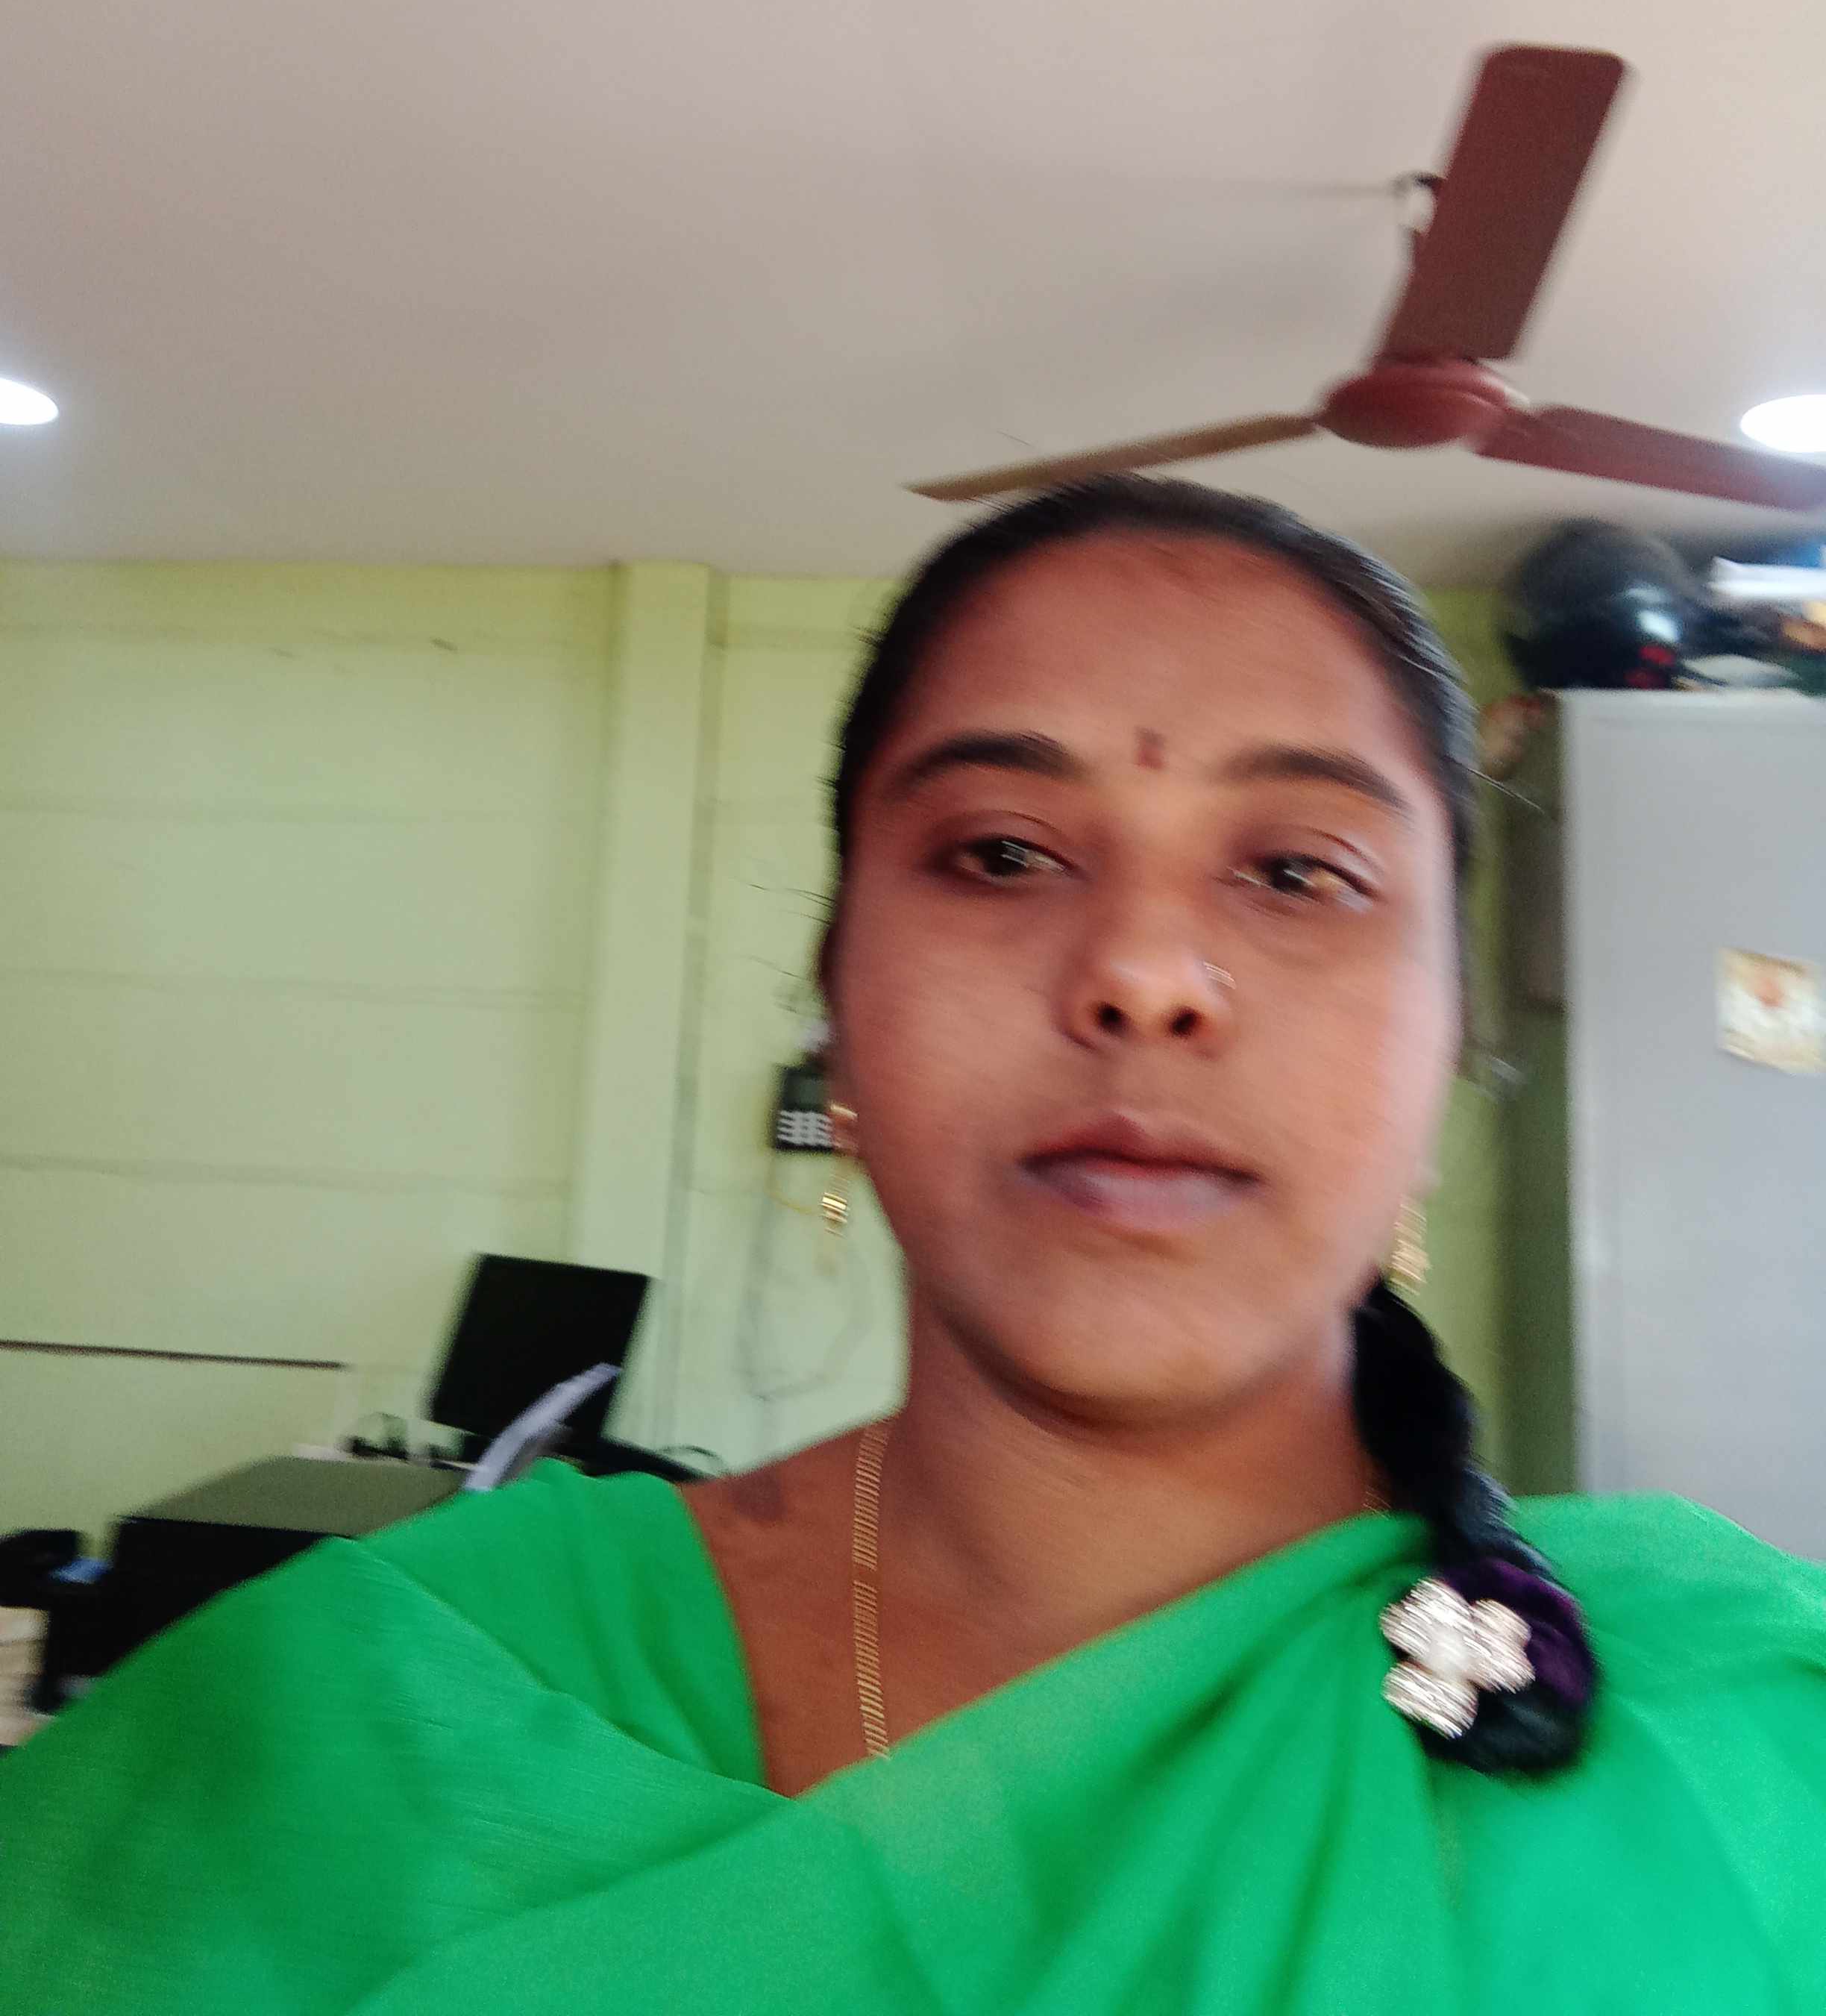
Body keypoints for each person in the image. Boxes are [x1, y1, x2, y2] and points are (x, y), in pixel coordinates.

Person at [3, 476, 1824, 2014]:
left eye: (1298, 872)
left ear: (1449, 1038)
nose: (1143, 976)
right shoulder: (380, 1718)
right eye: (1005, 853)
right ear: (840, 1000)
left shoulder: (1749, 1744)